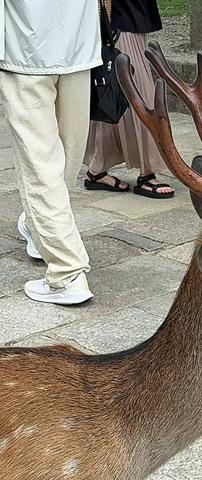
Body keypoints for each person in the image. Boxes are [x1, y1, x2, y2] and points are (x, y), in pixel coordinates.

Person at [0, 1, 102, 304]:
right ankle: (37, 227)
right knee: (66, 155)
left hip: (26, 50)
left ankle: (67, 273)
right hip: (77, 44)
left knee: (41, 163)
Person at [83, 0, 175, 199]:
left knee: (116, 96)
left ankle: (97, 168)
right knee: (139, 96)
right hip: (120, 21)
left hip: (129, 18)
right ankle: (147, 172)